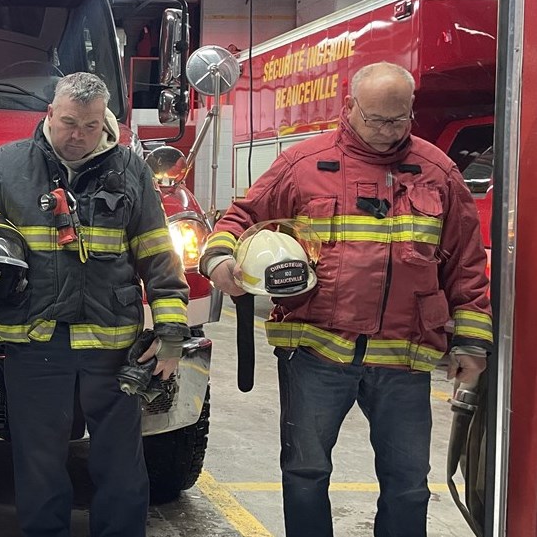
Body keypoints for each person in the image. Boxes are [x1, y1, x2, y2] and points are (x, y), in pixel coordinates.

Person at [201, 61, 492, 537]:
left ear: (411, 110)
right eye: (376, 119)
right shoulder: (304, 164)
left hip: (403, 357)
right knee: (305, 474)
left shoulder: (438, 172)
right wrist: (219, 261)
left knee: (408, 485)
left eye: (398, 120)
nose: (387, 131)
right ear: (350, 106)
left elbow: (466, 263)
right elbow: (240, 218)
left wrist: (472, 343)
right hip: (316, 354)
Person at [0, 72, 190, 537]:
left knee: (121, 465)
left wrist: (171, 333)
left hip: (112, 346)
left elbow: (159, 255)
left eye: (90, 125)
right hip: (36, 341)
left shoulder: (131, 170)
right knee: (39, 464)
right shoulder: (5, 165)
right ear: (49, 114)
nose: (77, 135)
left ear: (104, 121)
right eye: (68, 123)